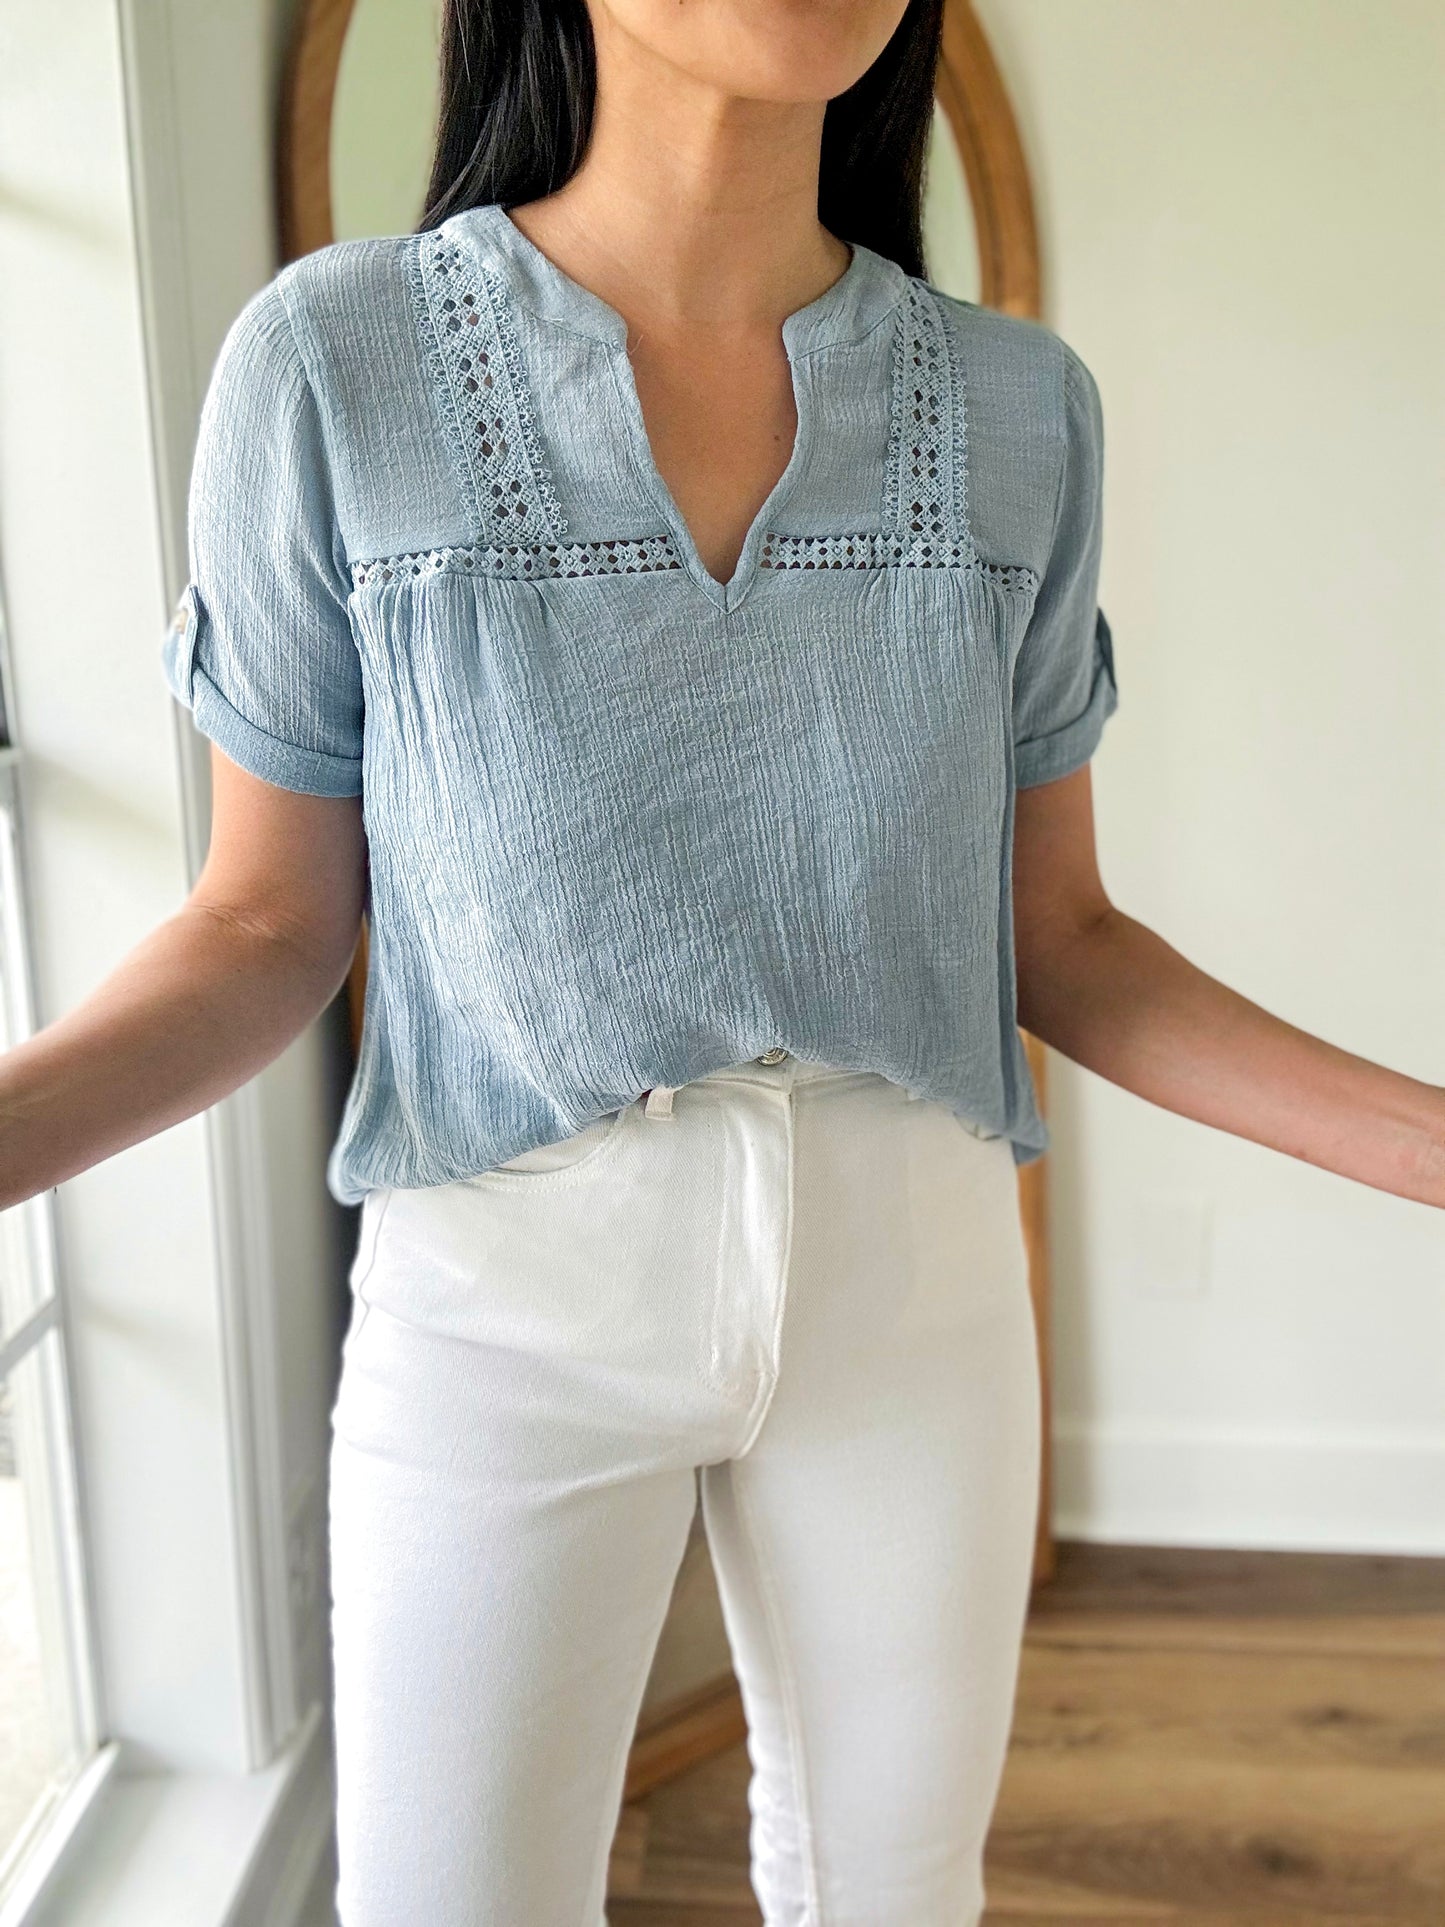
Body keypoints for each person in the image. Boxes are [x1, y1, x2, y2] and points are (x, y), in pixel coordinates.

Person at [3, 1, 1441, 1921]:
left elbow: (1062, 935)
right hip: (504, 1293)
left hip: (912, 1284)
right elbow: (266, 924)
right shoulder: (332, 366)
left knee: (889, 1893)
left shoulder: (1019, 410)